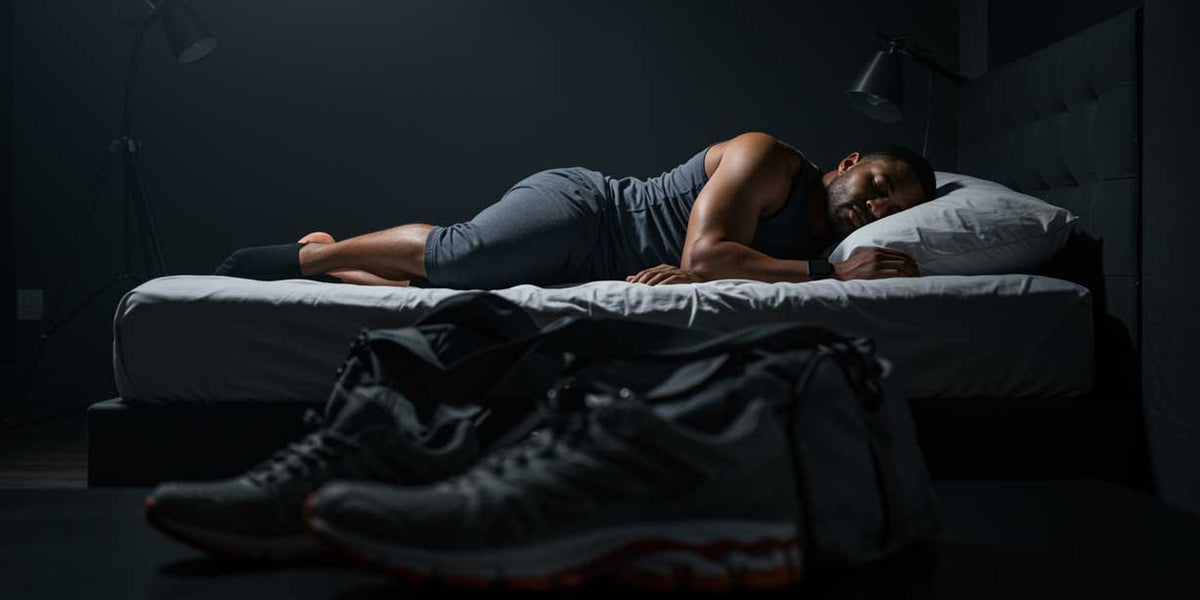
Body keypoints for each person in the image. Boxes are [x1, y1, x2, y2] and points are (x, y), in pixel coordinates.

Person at [214, 132, 935, 289]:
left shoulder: (844, 233)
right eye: (874, 183)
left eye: (887, 209)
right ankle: (313, 255)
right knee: (464, 255)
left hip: (615, 269)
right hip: (589, 212)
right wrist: (829, 275)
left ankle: (340, 267)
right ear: (847, 163)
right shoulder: (767, 158)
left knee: (443, 297)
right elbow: (707, 259)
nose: (871, 207)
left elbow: (708, 268)